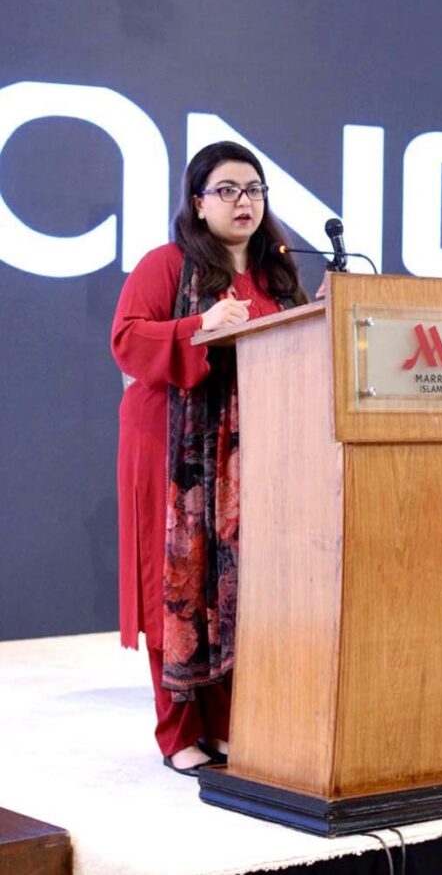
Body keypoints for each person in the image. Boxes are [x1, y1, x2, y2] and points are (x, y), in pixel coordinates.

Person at [111, 140, 307, 775]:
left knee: (236, 590)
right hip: (172, 450)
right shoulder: (166, 264)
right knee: (177, 585)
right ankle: (178, 733)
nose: (243, 201)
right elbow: (127, 340)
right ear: (198, 203)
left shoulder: (278, 273)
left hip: (255, 452)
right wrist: (200, 326)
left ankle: (225, 723)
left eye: (253, 189)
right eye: (226, 190)